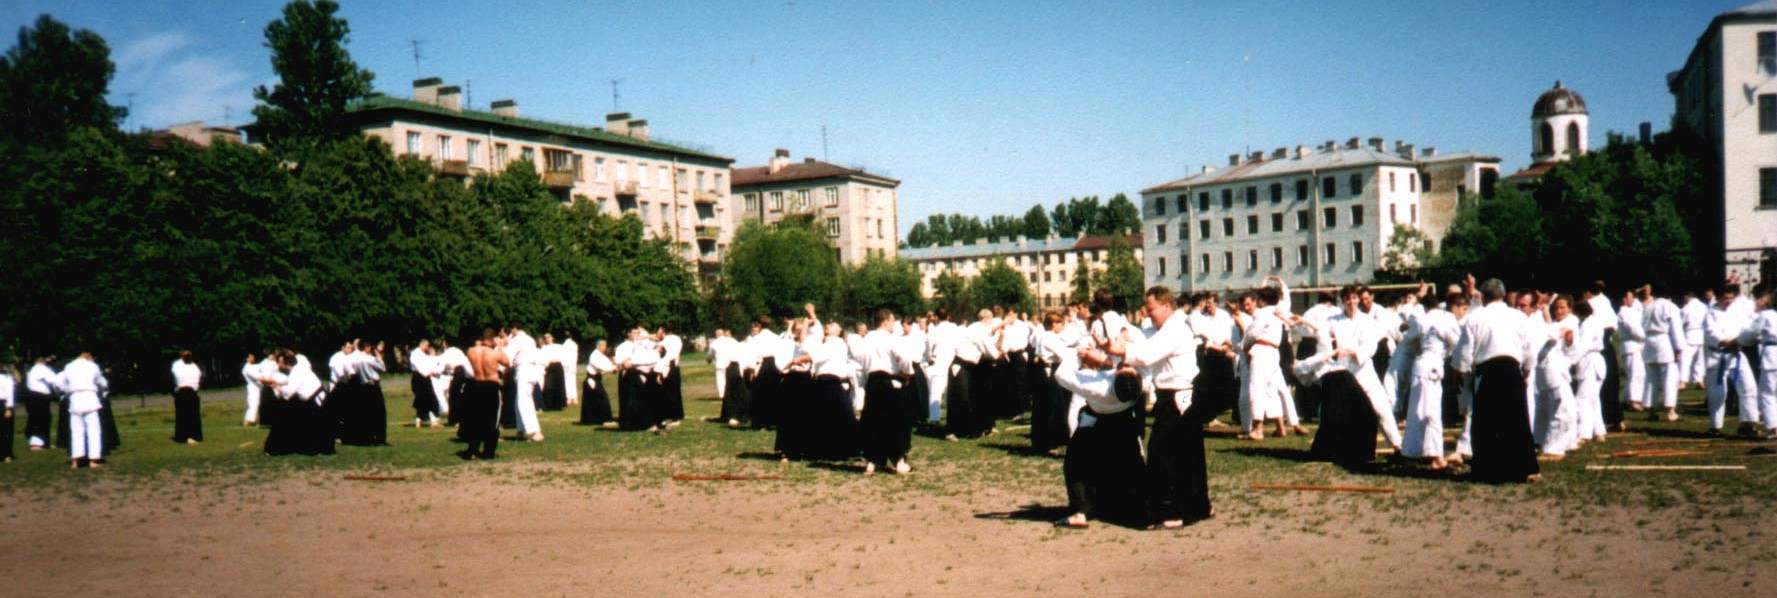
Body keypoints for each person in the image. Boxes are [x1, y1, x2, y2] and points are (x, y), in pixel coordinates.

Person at [1110, 286, 1204, 528]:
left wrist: (1120, 350)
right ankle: (1198, 506)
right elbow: (1144, 338)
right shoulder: (1164, 329)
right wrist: (1124, 335)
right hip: (1171, 395)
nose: (1147, 313)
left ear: (1166, 306)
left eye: (1151, 308)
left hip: (1179, 395)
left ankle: (1175, 512)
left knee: (1166, 452)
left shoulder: (1175, 329)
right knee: (1187, 451)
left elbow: (1147, 354)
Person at [1053, 345, 1148, 529]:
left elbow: (1061, 375)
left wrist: (1078, 354)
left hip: (1095, 422)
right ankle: (1137, 507)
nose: (1127, 365)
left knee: (1076, 464)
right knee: (1131, 465)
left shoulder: (1099, 386)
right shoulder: (1142, 382)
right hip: (1124, 422)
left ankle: (1081, 511)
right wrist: (1106, 359)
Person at [1454, 278, 1539, 483]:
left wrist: (1461, 371)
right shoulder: (1518, 316)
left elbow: (1464, 352)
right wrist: (1527, 368)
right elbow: (1529, 347)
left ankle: (1489, 470)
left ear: (1483, 297)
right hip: (1512, 370)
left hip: (1488, 371)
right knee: (1517, 420)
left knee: (1487, 422)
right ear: (1503, 295)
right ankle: (1524, 469)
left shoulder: (1475, 317)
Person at [1402, 292, 1461, 467]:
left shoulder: (1422, 319)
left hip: (1421, 366)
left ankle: (1413, 453)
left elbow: (1408, 333)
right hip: (1431, 368)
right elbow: (1456, 342)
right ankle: (1435, 456)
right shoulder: (1445, 318)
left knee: (1417, 412)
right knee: (1432, 413)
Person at [859, 310, 918, 474]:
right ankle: (899, 462)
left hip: (872, 382)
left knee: (873, 421)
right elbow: (905, 358)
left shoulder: (866, 339)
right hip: (890, 381)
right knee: (896, 421)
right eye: (892, 321)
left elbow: (861, 361)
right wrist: (907, 373)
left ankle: (872, 462)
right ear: (885, 322)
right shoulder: (891, 339)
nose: (894, 324)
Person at [1705, 284, 1763, 436]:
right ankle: (1715, 427)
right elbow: (1712, 334)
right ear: (1718, 297)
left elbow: (1746, 328)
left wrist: (1745, 339)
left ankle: (1747, 424)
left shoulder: (1736, 312)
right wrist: (1726, 342)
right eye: (1726, 298)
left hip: (1736, 354)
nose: (1729, 301)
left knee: (1749, 387)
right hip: (1717, 356)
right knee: (1718, 392)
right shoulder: (1711, 313)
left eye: (1731, 298)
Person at [260, 350, 332, 456]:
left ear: (284, 363)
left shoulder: (296, 372)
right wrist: (277, 384)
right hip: (311, 400)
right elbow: (290, 385)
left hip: (315, 401)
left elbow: (289, 392)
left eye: (279, 362)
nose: (278, 365)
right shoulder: (298, 369)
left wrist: (275, 386)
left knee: (311, 425)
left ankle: (280, 447)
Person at [1534, 296, 1580, 460]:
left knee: (1554, 408)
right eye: (1556, 308)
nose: (1559, 311)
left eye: (1562, 308)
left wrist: (1569, 340)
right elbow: (1552, 334)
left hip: (1554, 369)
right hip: (1550, 370)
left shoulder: (1571, 321)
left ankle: (1546, 441)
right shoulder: (1555, 325)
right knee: (1561, 409)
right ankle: (1552, 448)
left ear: (1570, 309)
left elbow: (1571, 345)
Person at [1639, 285, 1688, 423]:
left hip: (1649, 341)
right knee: (1669, 377)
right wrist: (1678, 348)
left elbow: (1641, 324)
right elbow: (1676, 329)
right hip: (1663, 341)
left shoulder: (1647, 306)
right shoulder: (1670, 306)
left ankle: (1651, 410)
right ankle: (1670, 410)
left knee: (1651, 378)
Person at [462, 329, 511, 459]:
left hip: (477, 385)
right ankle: (488, 452)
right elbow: (507, 362)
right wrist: (500, 347)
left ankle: (472, 450)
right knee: (492, 420)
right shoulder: (494, 353)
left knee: (476, 419)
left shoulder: (471, 351)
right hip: (491, 386)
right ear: (492, 339)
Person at [58, 351, 108, 469]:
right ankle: (93, 460)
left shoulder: (69, 366)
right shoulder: (92, 366)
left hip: (75, 399)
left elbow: (58, 381)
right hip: (90, 398)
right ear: (88, 356)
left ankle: (76, 460)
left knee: (76, 431)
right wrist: (104, 389)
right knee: (93, 430)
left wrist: (67, 390)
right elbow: (101, 382)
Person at [615, 326, 663, 433]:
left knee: (643, 400)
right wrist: (626, 361)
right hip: (630, 374)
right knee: (630, 401)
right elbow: (621, 362)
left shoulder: (642, 345)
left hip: (644, 373)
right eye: (635, 333)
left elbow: (655, 343)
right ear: (628, 334)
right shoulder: (622, 347)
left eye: (638, 333)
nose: (637, 335)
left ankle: (647, 422)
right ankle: (629, 423)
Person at [1746, 288, 1777, 438]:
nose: (1755, 303)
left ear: (1764, 300)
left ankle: (1774, 428)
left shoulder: (1765, 315)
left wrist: (1735, 341)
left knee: (1767, 393)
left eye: (1756, 299)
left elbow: (1750, 334)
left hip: (1772, 356)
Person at [506, 325, 545, 441]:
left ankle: (535, 432)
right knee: (519, 400)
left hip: (524, 370)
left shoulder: (516, 340)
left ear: (514, 328)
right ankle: (521, 430)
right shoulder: (530, 339)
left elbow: (507, 357)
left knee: (524, 401)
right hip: (532, 370)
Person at [1617, 290, 1647, 412]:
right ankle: (1634, 400)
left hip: (1634, 345)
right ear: (1624, 299)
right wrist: (1646, 337)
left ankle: (1627, 398)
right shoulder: (1624, 312)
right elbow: (1634, 329)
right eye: (1630, 297)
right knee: (1636, 373)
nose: (1632, 300)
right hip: (1631, 345)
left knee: (1635, 373)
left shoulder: (1630, 311)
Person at [580, 340, 618, 427]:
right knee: (603, 398)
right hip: (591, 380)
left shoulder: (601, 355)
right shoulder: (594, 355)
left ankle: (595, 420)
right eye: (603, 345)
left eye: (605, 345)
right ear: (598, 346)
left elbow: (608, 364)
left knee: (594, 401)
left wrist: (614, 366)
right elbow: (602, 366)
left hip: (596, 379)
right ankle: (606, 420)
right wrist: (613, 368)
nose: (605, 347)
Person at [171, 350, 204, 445]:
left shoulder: (194, 366)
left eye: (189, 355)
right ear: (181, 356)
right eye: (185, 355)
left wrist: (196, 387)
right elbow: (175, 377)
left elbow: (199, 377)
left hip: (192, 392)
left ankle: (195, 436)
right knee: (182, 416)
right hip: (182, 391)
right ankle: (182, 437)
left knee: (194, 416)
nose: (187, 357)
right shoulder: (177, 365)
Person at [24, 356, 56, 451]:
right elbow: (53, 379)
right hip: (40, 397)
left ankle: (44, 442)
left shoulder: (32, 370)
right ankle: (36, 443)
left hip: (32, 396)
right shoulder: (42, 368)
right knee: (41, 419)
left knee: (35, 418)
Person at [409, 340, 443, 428]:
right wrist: (426, 373)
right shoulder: (415, 354)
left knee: (426, 400)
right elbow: (418, 367)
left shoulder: (423, 355)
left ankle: (429, 421)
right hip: (419, 378)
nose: (428, 348)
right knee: (424, 399)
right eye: (427, 346)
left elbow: (429, 364)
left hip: (425, 377)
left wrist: (433, 372)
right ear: (422, 345)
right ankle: (431, 421)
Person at [657, 326, 685, 427]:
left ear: (663, 331)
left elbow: (659, 350)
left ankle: (672, 416)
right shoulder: (677, 339)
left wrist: (659, 373)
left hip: (668, 366)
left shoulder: (665, 341)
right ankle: (678, 415)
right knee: (675, 391)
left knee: (668, 392)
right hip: (675, 367)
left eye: (659, 331)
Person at [1680, 290, 1709, 389]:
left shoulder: (1686, 308)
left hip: (1690, 334)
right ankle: (1699, 380)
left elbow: (1681, 323)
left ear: (1687, 297)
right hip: (1701, 335)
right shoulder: (1704, 307)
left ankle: (1683, 381)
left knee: (1685, 359)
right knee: (1699, 360)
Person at [538, 333, 568, 412]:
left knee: (559, 385)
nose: (547, 339)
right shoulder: (544, 348)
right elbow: (542, 359)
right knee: (549, 386)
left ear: (552, 338)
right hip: (549, 366)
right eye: (546, 338)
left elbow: (564, 357)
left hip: (558, 366)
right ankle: (549, 405)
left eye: (549, 337)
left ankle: (559, 405)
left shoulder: (559, 346)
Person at [242, 353, 265, 427]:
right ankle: (248, 420)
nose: (253, 358)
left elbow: (261, 366)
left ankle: (251, 420)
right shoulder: (247, 368)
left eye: (253, 357)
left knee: (256, 403)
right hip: (252, 387)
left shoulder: (253, 366)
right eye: (251, 357)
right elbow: (256, 376)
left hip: (257, 387)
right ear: (247, 359)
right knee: (253, 403)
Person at [0, 365, 15, 463]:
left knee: (6, 430)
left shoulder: (6, 379)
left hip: (3, 404)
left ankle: (6, 454)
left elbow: (10, 394)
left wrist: (8, 408)